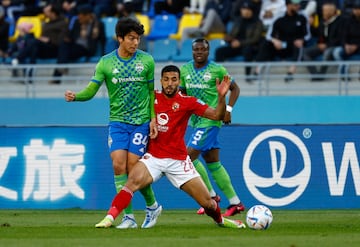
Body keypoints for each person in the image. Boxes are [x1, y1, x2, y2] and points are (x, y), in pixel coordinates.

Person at [94, 64, 246, 229]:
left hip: (179, 161)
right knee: (131, 181)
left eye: (174, 79)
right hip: (154, 158)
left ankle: (221, 221)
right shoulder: (152, 97)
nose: (169, 83)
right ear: (161, 81)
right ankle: (110, 218)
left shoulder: (188, 102)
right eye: (166, 79)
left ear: (179, 81)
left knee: (208, 204)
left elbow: (217, 115)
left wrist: (222, 97)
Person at [64, 17, 161, 229]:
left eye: (138, 39)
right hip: (117, 122)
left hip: (140, 122)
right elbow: (91, 90)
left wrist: (153, 119)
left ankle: (152, 206)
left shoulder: (146, 61)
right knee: (119, 165)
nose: (136, 43)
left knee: (134, 167)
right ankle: (128, 217)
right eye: (131, 38)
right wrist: (77, 96)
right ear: (120, 38)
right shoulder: (106, 62)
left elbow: (150, 92)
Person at [180, 38, 245, 217]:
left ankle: (211, 196)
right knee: (213, 163)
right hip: (196, 121)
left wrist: (229, 110)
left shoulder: (217, 69)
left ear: (208, 52)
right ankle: (235, 203)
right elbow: (183, 93)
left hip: (211, 120)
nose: (199, 52)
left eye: (203, 49)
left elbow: (235, 88)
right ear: (192, 51)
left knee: (187, 158)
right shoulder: (185, 70)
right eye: (196, 49)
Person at [253, 0, 311, 82]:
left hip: (294, 44)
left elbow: (308, 35)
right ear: (288, 5)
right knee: (266, 43)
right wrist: (275, 41)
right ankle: (257, 71)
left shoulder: (303, 16)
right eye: (295, 5)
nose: (298, 6)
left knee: (298, 45)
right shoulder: (279, 16)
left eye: (298, 4)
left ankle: (291, 72)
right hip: (282, 45)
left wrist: (302, 40)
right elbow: (269, 35)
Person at [51, 4, 105, 84]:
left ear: (88, 16)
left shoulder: (98, 24)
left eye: (81, 15)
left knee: (63, 52)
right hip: (74, 46)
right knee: (63, 46)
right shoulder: (77, 22)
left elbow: (102, 39)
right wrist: (67, 38)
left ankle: (57, 77)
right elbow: (71, 35)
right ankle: (62, 68)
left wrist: (104, 55)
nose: (79, 17)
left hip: (86, 48)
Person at [215, 0, 263, 82]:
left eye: (247, 9)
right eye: (243, 9)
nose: (245, 11)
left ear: (252, 10)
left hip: (249, 46)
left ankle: (248, 76)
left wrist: (240, 43)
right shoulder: (238, 21)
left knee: (248, 50)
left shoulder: (257, 22)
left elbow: (255, 38)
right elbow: (232, 34)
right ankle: (219, 77)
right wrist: (228, 38)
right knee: (219, 51)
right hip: (236, 45)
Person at [303, 1, 343, 81]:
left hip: (333, 46)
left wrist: (327, 45)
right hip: (322, 45)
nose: (322, 12)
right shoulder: (322, 21)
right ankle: (315, 74)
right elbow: (317, 33)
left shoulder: (340, 21)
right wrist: (310, 25)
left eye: (324, 11)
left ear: (330, 12)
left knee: (327, 52)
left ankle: (321, 74)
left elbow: (339, 39)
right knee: (304, 53)